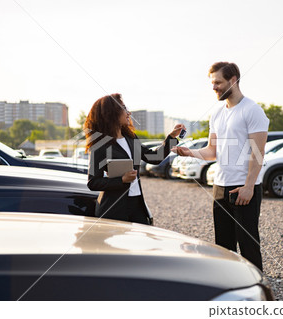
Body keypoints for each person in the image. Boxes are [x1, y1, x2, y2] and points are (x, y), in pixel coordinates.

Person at [173, 62, 269, 271]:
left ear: (233, 80)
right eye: (212, 83)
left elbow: (257, 153)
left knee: (248, 245)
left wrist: (248, 187)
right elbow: (211, 151)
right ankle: (230, 287)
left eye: (218, 82)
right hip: (220, 187)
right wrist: (190, 153)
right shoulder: (216, 113)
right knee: (223, 247)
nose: (213, 87)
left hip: (243, 188)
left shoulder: (253, 110)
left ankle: (257, 291)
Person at [85, 93, 184, 225]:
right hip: (113, 210)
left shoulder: (131, 138)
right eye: (124, 108)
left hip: (137, 204)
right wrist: (121, 180)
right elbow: (93, 182)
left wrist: (171, 137)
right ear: (112, 113)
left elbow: (154, 157)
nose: (129, 113)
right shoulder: (99, 146)